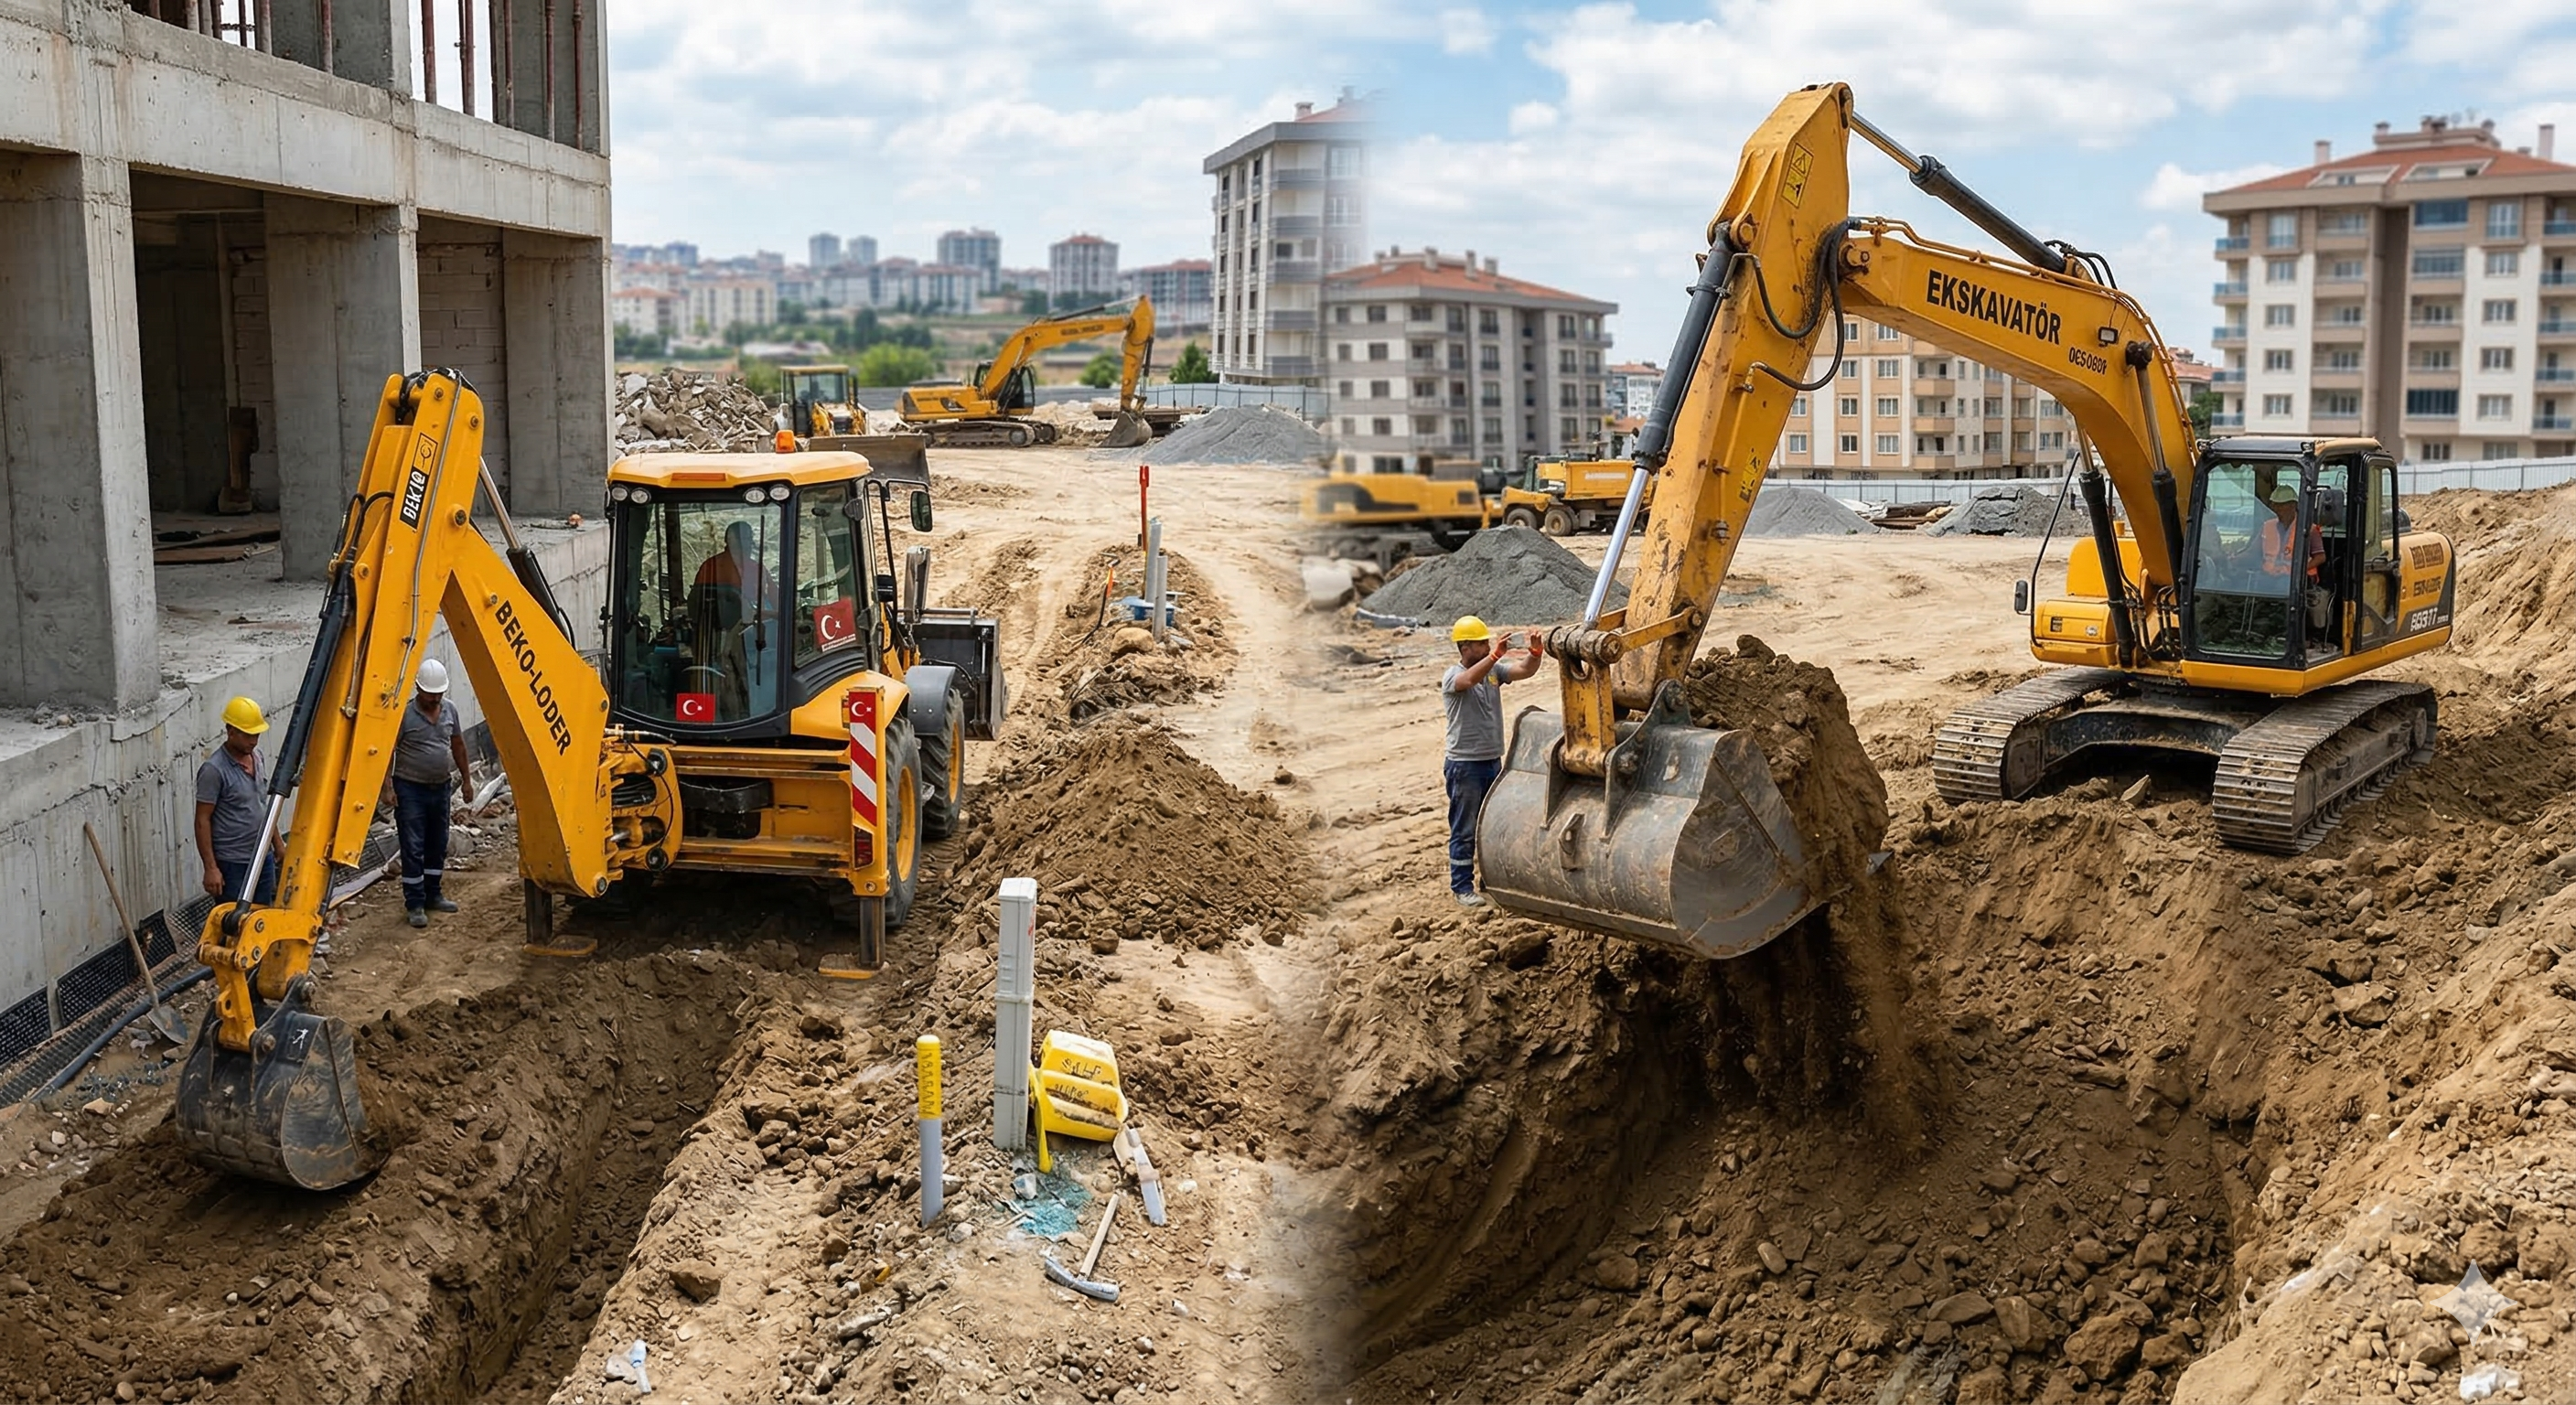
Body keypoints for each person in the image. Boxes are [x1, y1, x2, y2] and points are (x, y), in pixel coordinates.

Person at [1441, 616, 1544, 906]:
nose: (1486, 646)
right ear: (1465, 647)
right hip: (1465, 765)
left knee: (1492, 824)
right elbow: (1468, 680)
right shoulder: (1452, 676)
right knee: (1464, 827)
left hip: (1491, 761)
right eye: (1481, 643)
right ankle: (1462, 887)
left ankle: (1491, 881)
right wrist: (1496, 654)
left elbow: (1524, 671)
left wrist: (1535, 653)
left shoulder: (1493, 671)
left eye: (1487, 642)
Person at [393, 659, 476, 928]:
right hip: (410, 788)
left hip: (440, 787)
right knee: (413, 845)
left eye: (439, 693)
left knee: (437, 843)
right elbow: (386, 753)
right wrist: (386, 788)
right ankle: (415, 903)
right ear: (418, 689)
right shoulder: (404, 715)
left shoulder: (449, 710)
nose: (436, 698)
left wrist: (466, 780)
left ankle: (433, 894)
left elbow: (459, 746)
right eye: (431, 694)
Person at [195, 696, 279, 905]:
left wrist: (278, 843)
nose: (254, 740)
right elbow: (202, 820)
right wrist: (211, 868)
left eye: (257, 735)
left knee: (261, 920)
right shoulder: (214, 770)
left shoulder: (257, 757)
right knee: (234, 925)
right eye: (248, 735)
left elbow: (262, 805)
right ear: (231, 731)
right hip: (232, 864)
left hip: (262, 857)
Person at [2256, 471, 2324, 582]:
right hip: (2270, 576)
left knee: (2283, 586)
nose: (2277, 509)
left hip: (2298, 580)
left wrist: (2298, 570)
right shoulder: (2267, 526)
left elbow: (2320, 557)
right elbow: (2253, 551)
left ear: (2293, 505)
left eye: (2281, 505)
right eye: (2275, 505)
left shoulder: (2309, 529)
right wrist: (2233, 559)